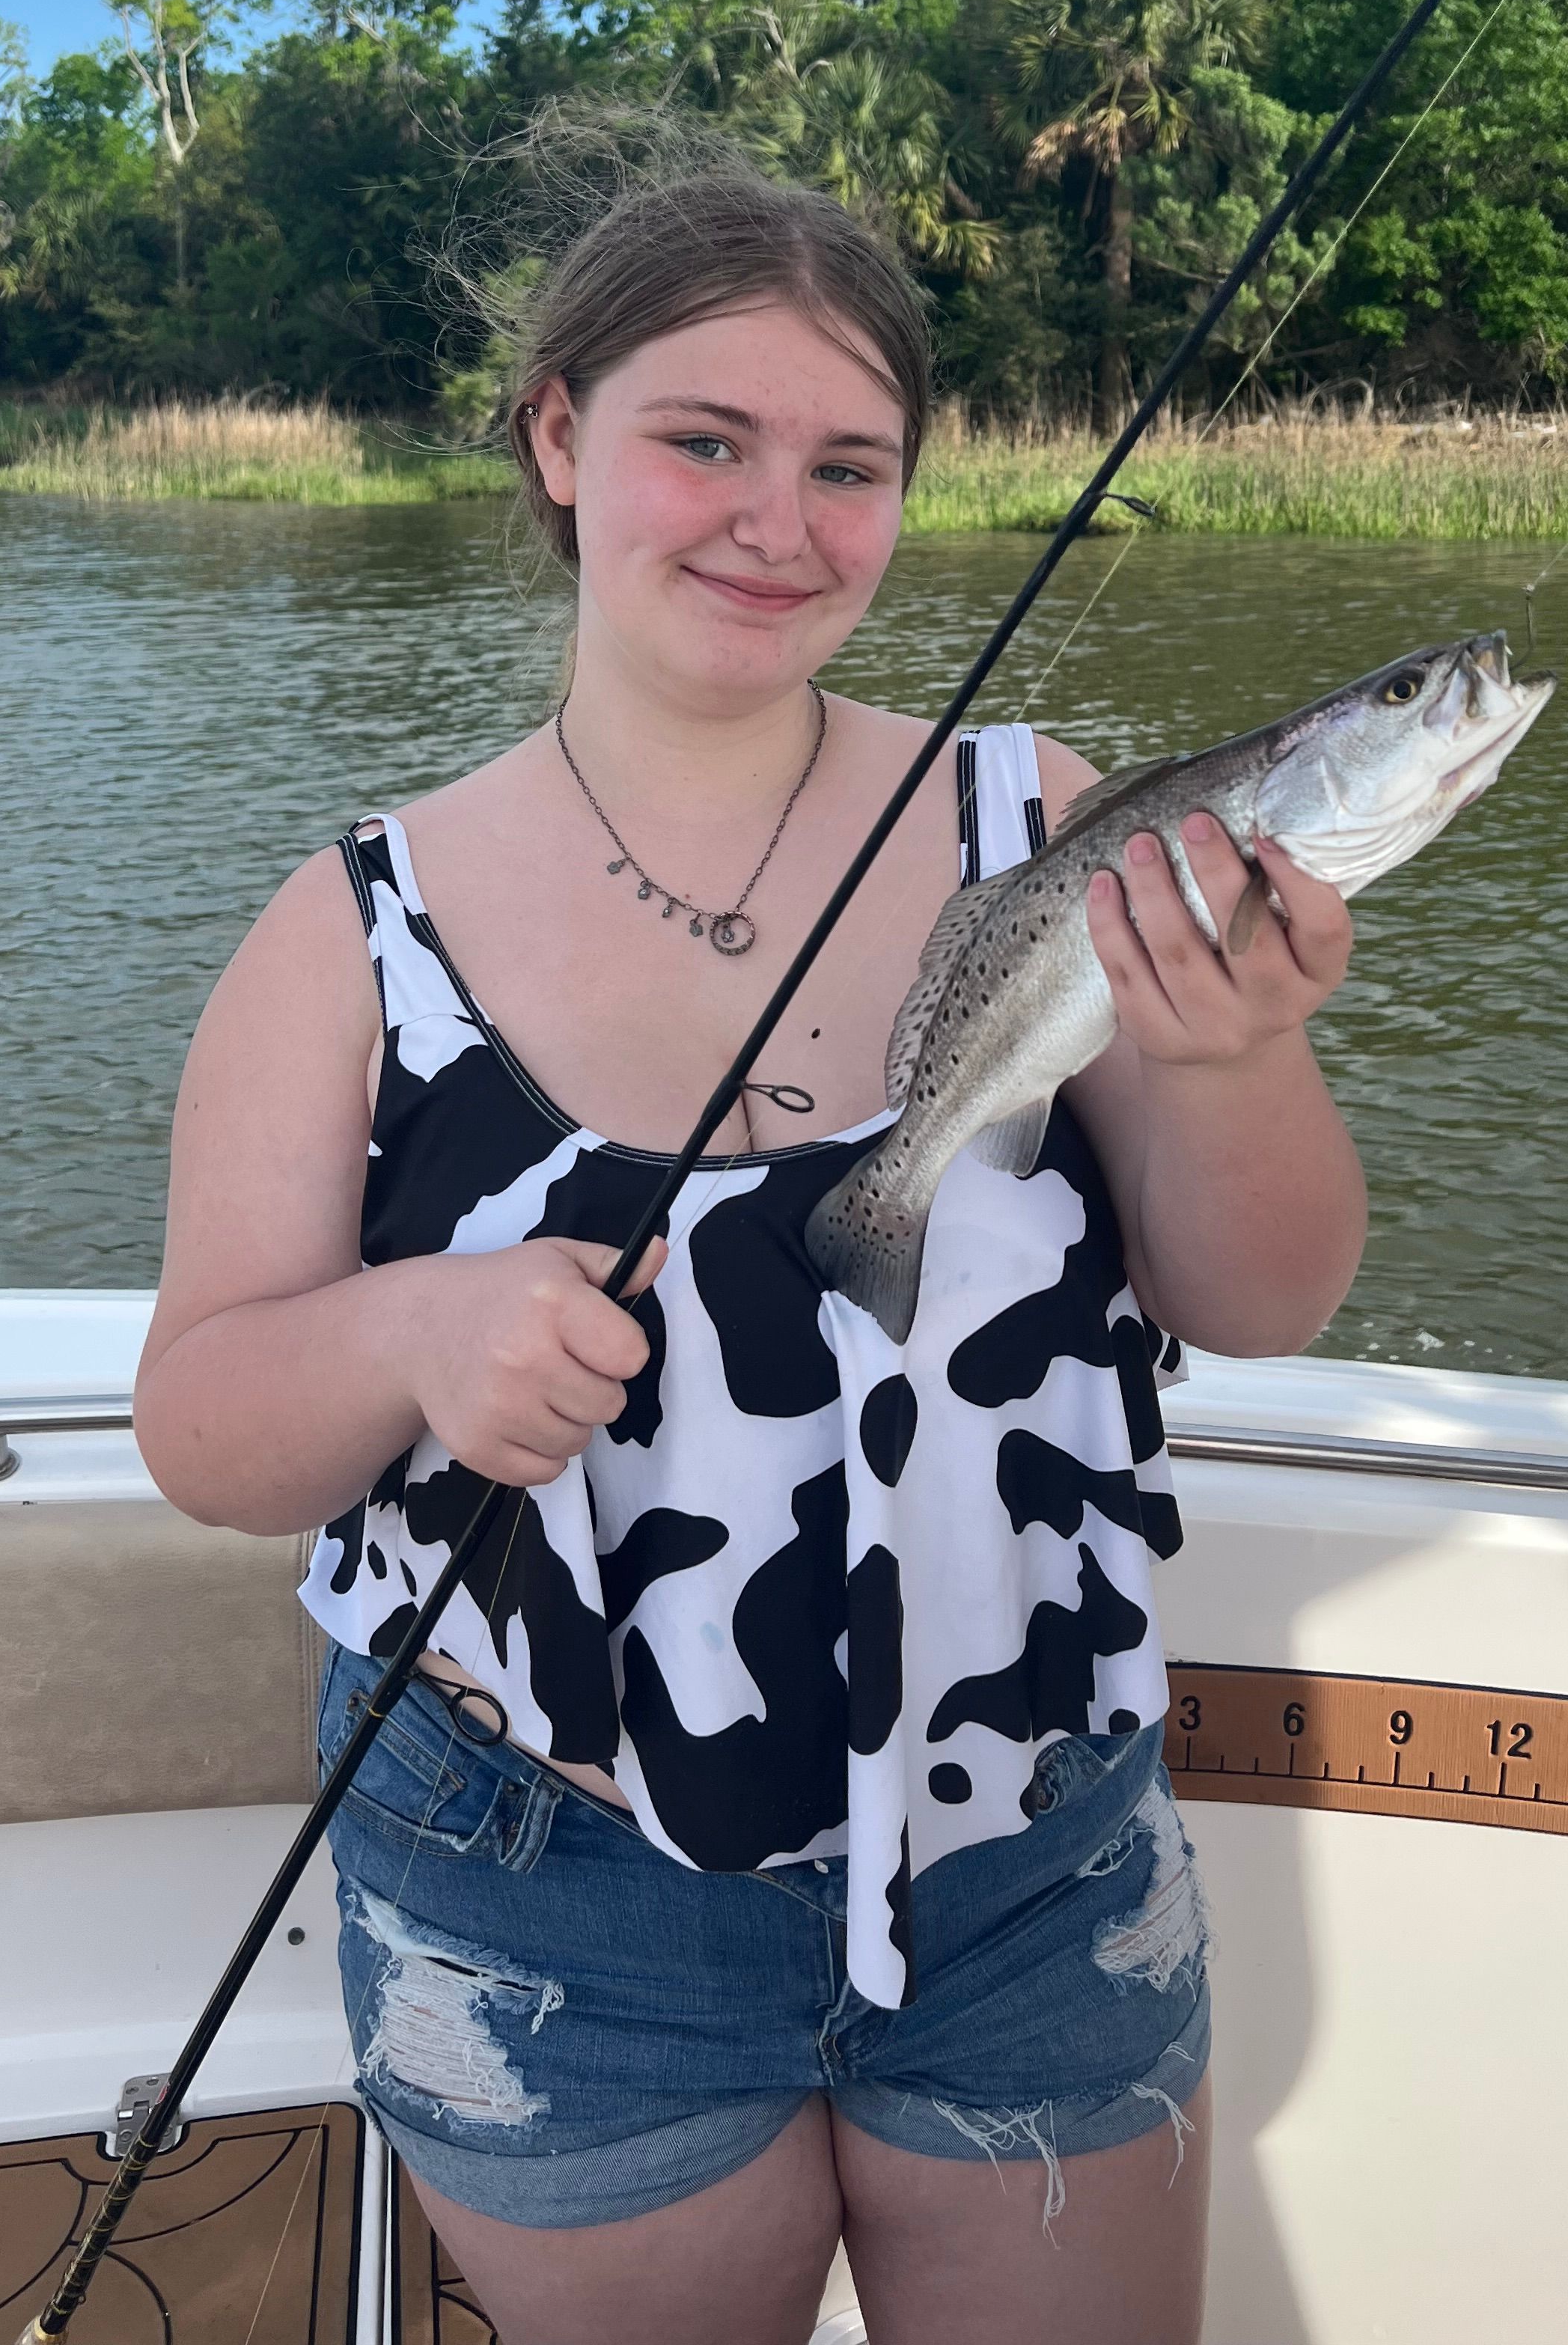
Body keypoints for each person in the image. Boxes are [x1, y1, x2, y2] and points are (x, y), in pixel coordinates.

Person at [135, 166, 1366, 2345]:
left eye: (847, 466)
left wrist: (1246, 1057)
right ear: (555, 439)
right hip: (544, 1884)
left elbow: (1258, 1298)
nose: (773, 521)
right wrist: (417, 1330)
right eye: (703, 440)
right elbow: (210, 1427)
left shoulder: (1043, 820)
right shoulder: (352, 926)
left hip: (1033, 1844)